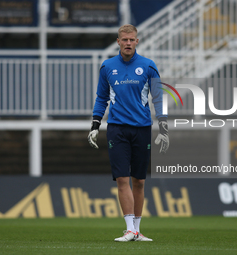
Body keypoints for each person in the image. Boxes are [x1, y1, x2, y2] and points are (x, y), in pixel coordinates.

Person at [88, 24, 169, 242]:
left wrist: (163, 126)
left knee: (139, 181)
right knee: (122, 179)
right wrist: (95, 125)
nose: (128, 43)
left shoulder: (148, 66)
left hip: (142, 129)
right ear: (118, 41)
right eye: (124, 40)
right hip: (117, 129)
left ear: (137, 41)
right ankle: (129, 229)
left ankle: (137, 230)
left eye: (132, 40)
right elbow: (101, 97)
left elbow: (158, 98)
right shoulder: (107, 67)